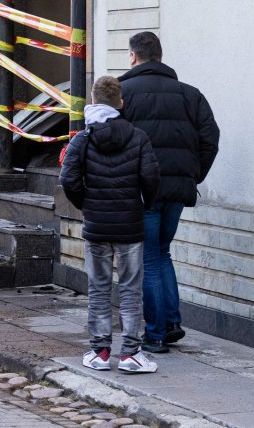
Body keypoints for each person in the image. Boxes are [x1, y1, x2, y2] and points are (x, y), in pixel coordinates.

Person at [118, 31, 220, 354]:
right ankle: (172, 322)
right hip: (176, 190)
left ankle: (157, 333)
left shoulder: (122, 93)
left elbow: (110, 139)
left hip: (142, 191)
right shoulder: (190, 95)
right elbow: (210, 138)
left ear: (134, 57)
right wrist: (192, 175)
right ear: (160, 57)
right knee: (162, 252)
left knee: (149, 257)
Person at [60, 76, 161, 374]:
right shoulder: (138, 137)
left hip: (97, 227)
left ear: (92, 102)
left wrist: (86, 204)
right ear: (121, 103)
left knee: (99, 289)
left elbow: (68, 179)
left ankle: (100, 352)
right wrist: (143, 205)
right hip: (130, 226)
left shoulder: (82, 138)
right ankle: (131, 354)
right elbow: (152, 179)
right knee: (131, 290)